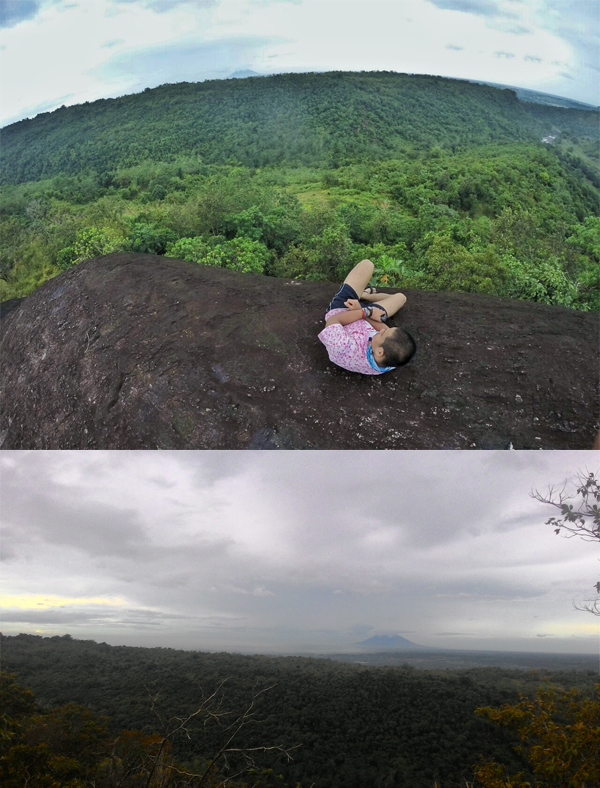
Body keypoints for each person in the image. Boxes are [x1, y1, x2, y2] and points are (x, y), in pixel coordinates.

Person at [318, 259, 416, 375]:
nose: (382, 329)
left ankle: (362, 295)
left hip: (343, 309)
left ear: (380, 352)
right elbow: (382, 328)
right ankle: (365, 295)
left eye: (382, 334)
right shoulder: (390, 360)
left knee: (367, 265)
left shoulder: (344, 348)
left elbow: (334, 320)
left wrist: (363, 311)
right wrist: (366, 312)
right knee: (401, 297)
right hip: (365, 314)